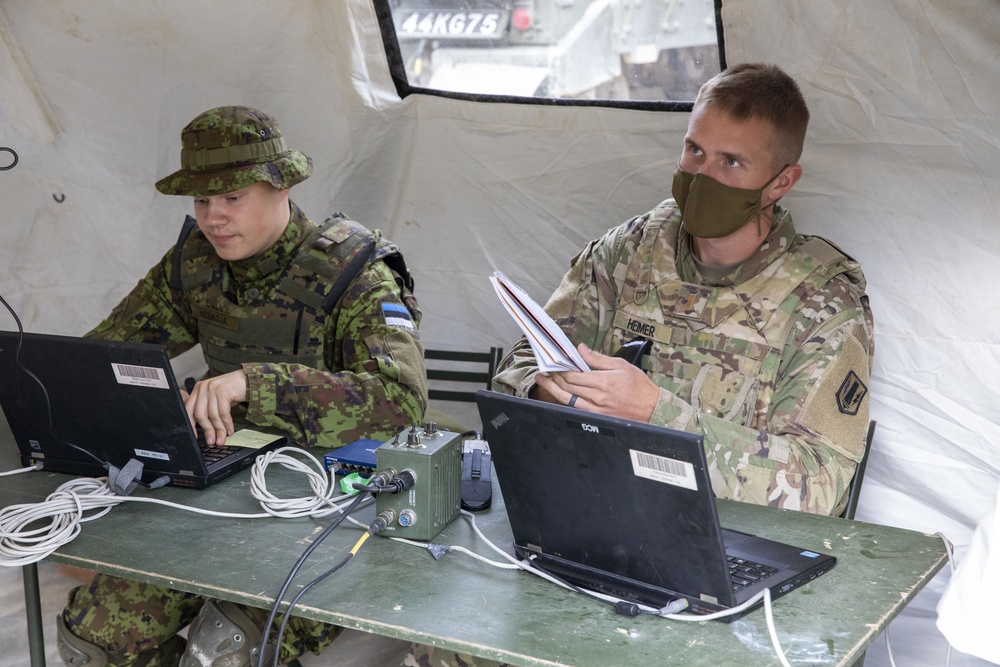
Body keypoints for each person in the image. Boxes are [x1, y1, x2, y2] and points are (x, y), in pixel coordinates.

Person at [402, 59, 875, 667]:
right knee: (447, 643)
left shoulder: (823, 298)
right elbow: (520, 364)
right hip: (596, 526)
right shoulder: (632, 249)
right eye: (695, 151)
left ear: (781, 182)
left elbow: (817, 484)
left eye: (732, 162)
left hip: (731, 555)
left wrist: (655, 411)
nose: (703, 175)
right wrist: (550, 389)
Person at [56, 106, 428, 666]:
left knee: (221, 653)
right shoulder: (195, 267)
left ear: (282, 187)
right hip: (212, 498)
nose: (214, 217)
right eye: (202, 201)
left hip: (318, 514)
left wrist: (254, 384)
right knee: (91, 641)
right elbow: (105, 357)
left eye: (232, 198)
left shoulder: (354, 272)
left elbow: (400, 407)